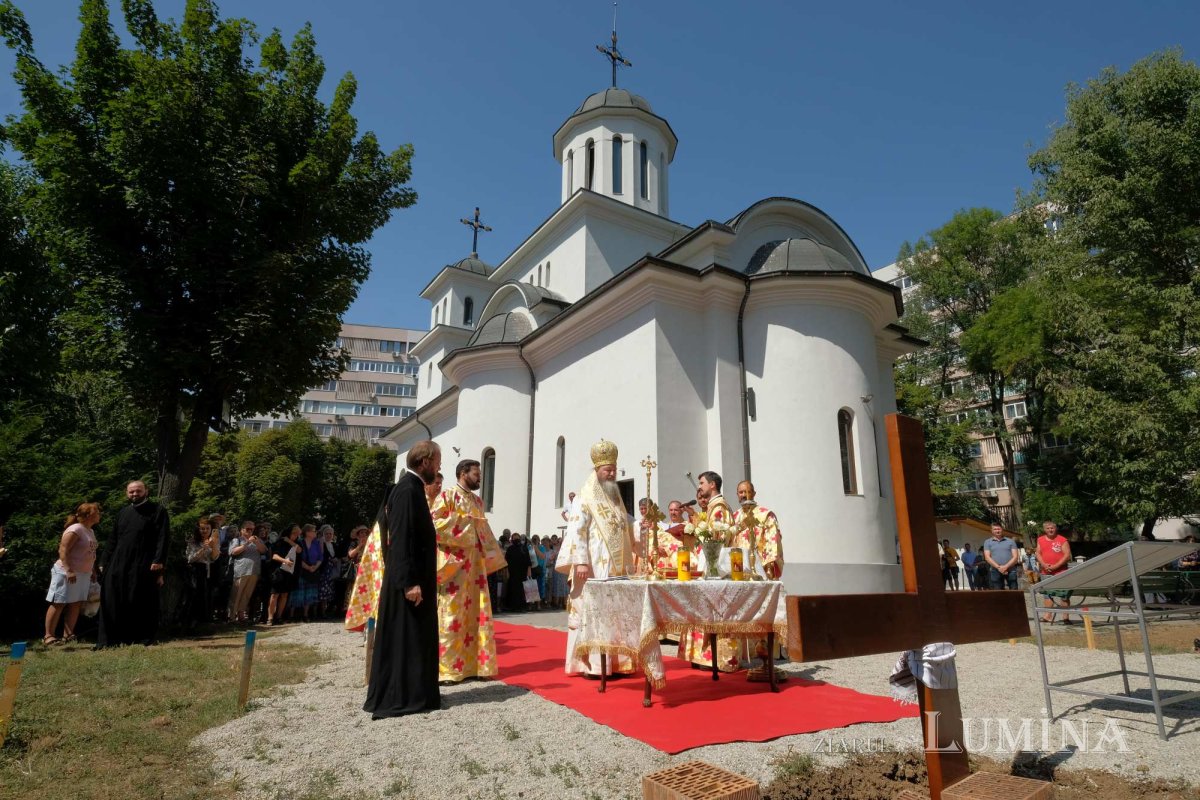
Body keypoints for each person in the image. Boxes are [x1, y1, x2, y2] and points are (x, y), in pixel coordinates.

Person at [364, 440, 442, 719]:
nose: (439, 467)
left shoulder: (412, 488)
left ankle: (415, 693)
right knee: (405, 638)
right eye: (437, 462)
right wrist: (409, 581)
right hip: (408, 583)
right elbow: (402, 539)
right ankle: (400, 695)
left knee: (414, 638)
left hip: (414, 579)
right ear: (425, 462)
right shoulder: (408, 490)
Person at [555, 439, 638, 676]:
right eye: (607, 470)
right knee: (594, 613)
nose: (611, 474)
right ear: (597, 470)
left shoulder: (615, 498)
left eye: (614, 470)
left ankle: (618, 663)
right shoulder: (584, 497)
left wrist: (641, 526)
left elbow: (626, 523)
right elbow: (576, 530)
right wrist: (580, 561)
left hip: (616, 568)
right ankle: (593, 665)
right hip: (593, 566)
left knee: (616, 612)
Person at [430, 459, 505, 683]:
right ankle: (448, 669)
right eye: (476, 474)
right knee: (452, 615)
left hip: (476, 569)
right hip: (455, 567)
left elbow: (484, 532)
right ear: (463, 473)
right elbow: (434, 523)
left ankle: (476, 667)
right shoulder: (447, 496)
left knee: (477, 614)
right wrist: (468, 523)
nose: (480, 478)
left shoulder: (477, 501)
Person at [96, 481, 170, 648]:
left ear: (146, 491)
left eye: (138, 491)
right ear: (127, 493)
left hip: (144, 563)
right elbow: (113, 538)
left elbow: (163, 537)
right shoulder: (123, 512)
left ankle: (141, 638)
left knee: (141, 599)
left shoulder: (158, 511)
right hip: (119, 562)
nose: (135, 494)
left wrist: (158, 561)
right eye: (131, 492)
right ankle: (112, 639)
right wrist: (104, 561)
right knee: (114, 597)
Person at [679, 470, 738, 671]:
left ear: (712, 485)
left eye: (702, 483)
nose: (699, 487)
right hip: (709, 562)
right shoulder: (713, 507)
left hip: (716, 566)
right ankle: (702, 655)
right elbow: (707, 533)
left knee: (713, 609)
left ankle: (714, 657)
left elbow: (718, 538)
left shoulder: (719, 507)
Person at [45, 502, 101, 645]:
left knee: (76, 603)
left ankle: (68, 635)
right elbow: (63, 550)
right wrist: (69, 570)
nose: (99, 515)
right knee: (59, 602)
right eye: (96, 512)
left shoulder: (90, 531)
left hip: (83, 573)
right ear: (88, 515)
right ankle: (48, 636)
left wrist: (93, 570)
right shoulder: (75, 529)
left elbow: (90, 553)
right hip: (66, 572)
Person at [732, 481, 784, 579]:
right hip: (739, 569)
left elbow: (772, 541)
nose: (744, 495)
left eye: (747, 492)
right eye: (741, 492)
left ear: (754, 494)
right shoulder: (734, 516)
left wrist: (769, 567)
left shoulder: (766, 514)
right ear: (737, 494)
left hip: (760, 567)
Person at [227, 520, 267, 623]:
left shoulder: (257, 540)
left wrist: (256, 542)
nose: (250, 531)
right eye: (248, 529)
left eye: (252, 529)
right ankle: (231, 616)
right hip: (241, 571)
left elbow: (264, 551)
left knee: (246, 595)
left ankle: (241, 615)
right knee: (236, 594)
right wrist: (247, 542)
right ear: (242, 530)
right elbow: (233, 552)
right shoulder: (237, 540)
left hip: (254, 571)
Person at [184, 515, 220, 629]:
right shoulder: (192, 541)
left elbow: (214, 557)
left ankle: (203, 622)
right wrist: (203, 548)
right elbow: (190, 558)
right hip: (195, 571)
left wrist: (213, 545)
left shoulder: (213, 540)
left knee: (206, 596)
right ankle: (190, 622)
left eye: (207, 528)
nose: (205, 531)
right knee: (194, 596)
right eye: (202, 528)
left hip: (207, 570)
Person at [1036, 521, 1073, 624]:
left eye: (1052, 528)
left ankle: (1065, 617)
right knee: (1047, 595)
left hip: (1061, 571)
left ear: (1055, 529)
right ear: (1044, 530)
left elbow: (1067, 555)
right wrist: (1043, 564)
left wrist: (1056, 566)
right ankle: (1048, 616)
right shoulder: (1040, 539)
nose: (1050, 530)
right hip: (1045, 571)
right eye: (1048, 528)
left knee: (1064, 595)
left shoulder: (1062, 539)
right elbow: (1038, 553)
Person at [267, 524, 300, 625]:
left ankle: (279, 616)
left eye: (297, 534)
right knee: (275, 594)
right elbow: (274, 556)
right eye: (294, 533)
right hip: (278, 571)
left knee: (285, 595)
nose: (296, 535)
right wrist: (285, 561)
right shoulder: (279, 542)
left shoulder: (296, 543)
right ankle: (270, 618)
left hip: (289, 572)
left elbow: (299, 550)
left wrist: (289, 541)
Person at [292, 524, 324, 622]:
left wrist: (314, 567)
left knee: (309, 593)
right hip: (301, 570)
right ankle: (292, 615)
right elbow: (297, 558)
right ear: (307, 532)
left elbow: (320, 557)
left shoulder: (316, 543)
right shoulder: (300, 542)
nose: (315, 532)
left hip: (313, 570)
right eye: (314, 531)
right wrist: (308, 567)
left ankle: (305, 615)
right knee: (298, 593)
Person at [982, 523, 1020, 590]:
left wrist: (1005, 567)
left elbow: (1015, 557)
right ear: (991, 531)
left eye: (999, 529)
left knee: (1014, 591)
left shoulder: (1011, 541)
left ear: (1002, 529)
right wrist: (999, 567)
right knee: (998, 592)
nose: (997, 531)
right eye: (995, 529)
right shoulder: (987, 542)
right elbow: (987, 557)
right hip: (995, 570)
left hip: (1011, 570)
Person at [504, 533, 533, 613]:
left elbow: (528, 560)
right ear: (512, 539)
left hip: (522, 573)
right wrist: (507, 572)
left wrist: (529, 571)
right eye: (514, 538)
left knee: (522, 590)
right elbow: (506, 561)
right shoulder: (510, 549)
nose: (516, 540)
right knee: (513, 589)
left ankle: (522, 607)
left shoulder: (524, 548)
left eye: (517, 538)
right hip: (512, 573)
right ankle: (513, 607)